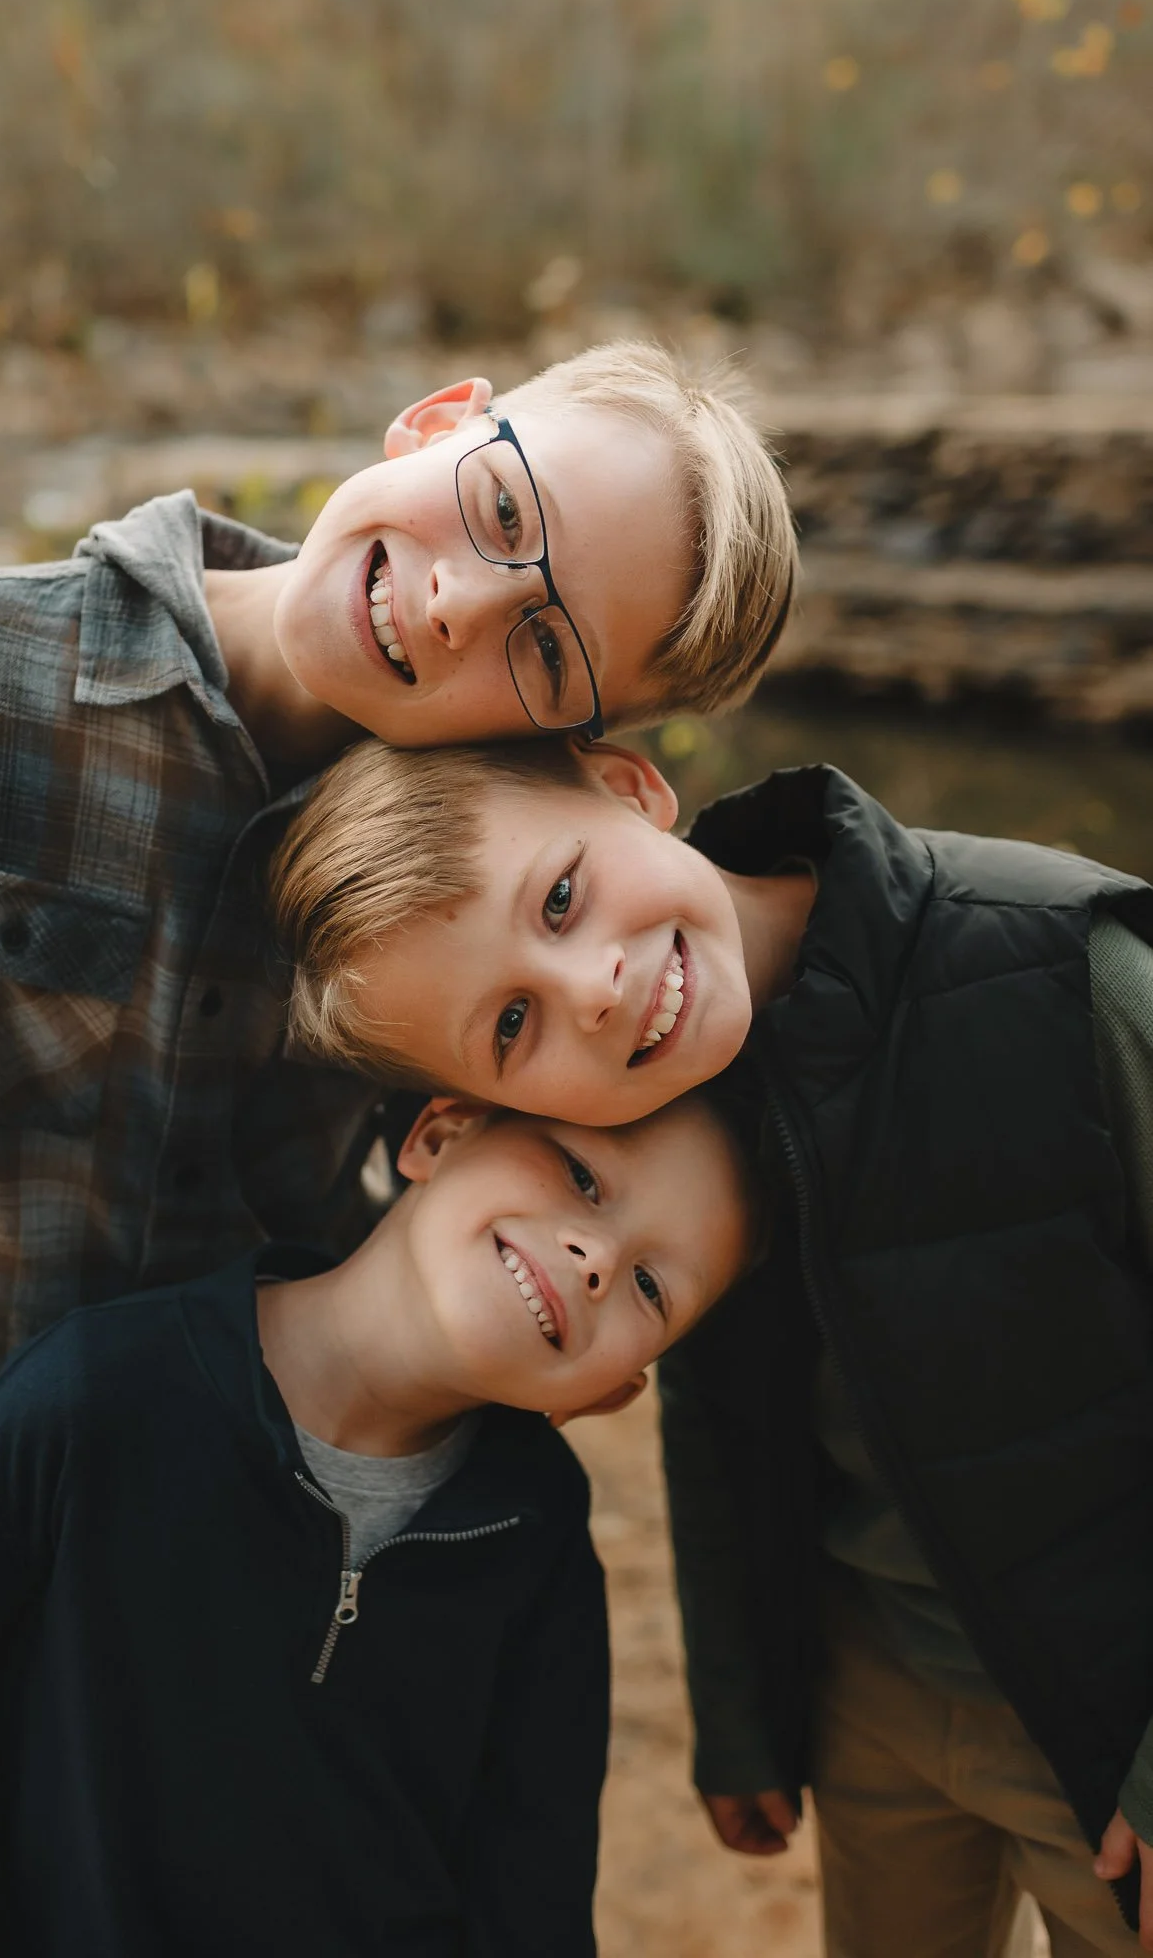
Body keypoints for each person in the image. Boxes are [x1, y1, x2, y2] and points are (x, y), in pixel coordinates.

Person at [0, 338, 797, 1597]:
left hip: (269, 1512)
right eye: (499, 511)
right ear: (437, 419)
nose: (458, 605)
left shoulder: (494, 902)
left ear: (574, 737)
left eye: (543, 649)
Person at [271, 733, 1153, 1955]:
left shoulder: (1059, 962)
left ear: (629, 784)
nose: (589, 988)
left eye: (562, 895)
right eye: (513, 1020)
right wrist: (743, 1706)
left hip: (1109, 1705)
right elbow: (721, 1405)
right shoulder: (642, 1120)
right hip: (872, 1689)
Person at [0, 1088, 752, 1957]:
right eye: (583, 1177)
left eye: (649, 1287)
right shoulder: (82, 1401)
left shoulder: (536, 1527)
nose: (597, 1259)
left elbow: (531, 1893)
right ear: (441, 1132)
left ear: (611, 1392)